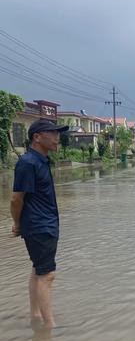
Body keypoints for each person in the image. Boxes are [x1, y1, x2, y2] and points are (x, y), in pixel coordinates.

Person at [10, 118, 69, 327]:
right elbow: (16, 198)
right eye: (52, 133)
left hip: (43, 224)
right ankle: (49, 327)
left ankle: (35, 316)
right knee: (47, 275)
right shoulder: (28, 163)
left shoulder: (41, 160)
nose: (57, 138)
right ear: (37, 137)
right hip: (40, 226)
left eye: (57, 133)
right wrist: (17, 224)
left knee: (38, 269)